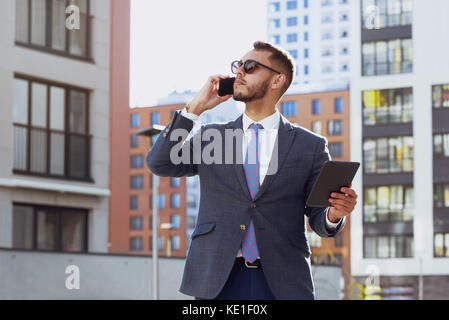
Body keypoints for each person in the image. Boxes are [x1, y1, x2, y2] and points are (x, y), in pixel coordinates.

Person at [146, 41, 358, 300]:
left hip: (282, 282)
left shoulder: (310, 146)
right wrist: (195, 107)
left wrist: (334, 214)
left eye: (250, 66)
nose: (239, 72)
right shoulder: (213, 137)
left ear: (277, 80)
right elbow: (160, 162)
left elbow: (319, 220)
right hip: (217, 280)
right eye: (238, 66)